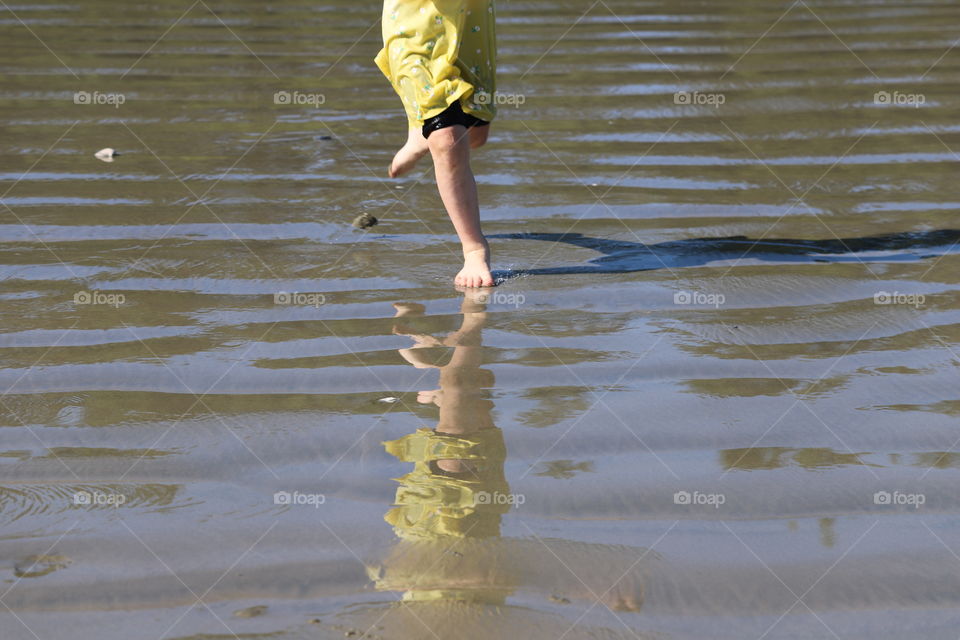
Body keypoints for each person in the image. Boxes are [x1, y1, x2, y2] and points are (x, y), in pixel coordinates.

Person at [375, 0, 498, 288]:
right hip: (414, 27)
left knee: (476, 134)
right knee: (448, 140)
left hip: (468, 18)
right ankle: (474, 249)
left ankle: (420, 136)